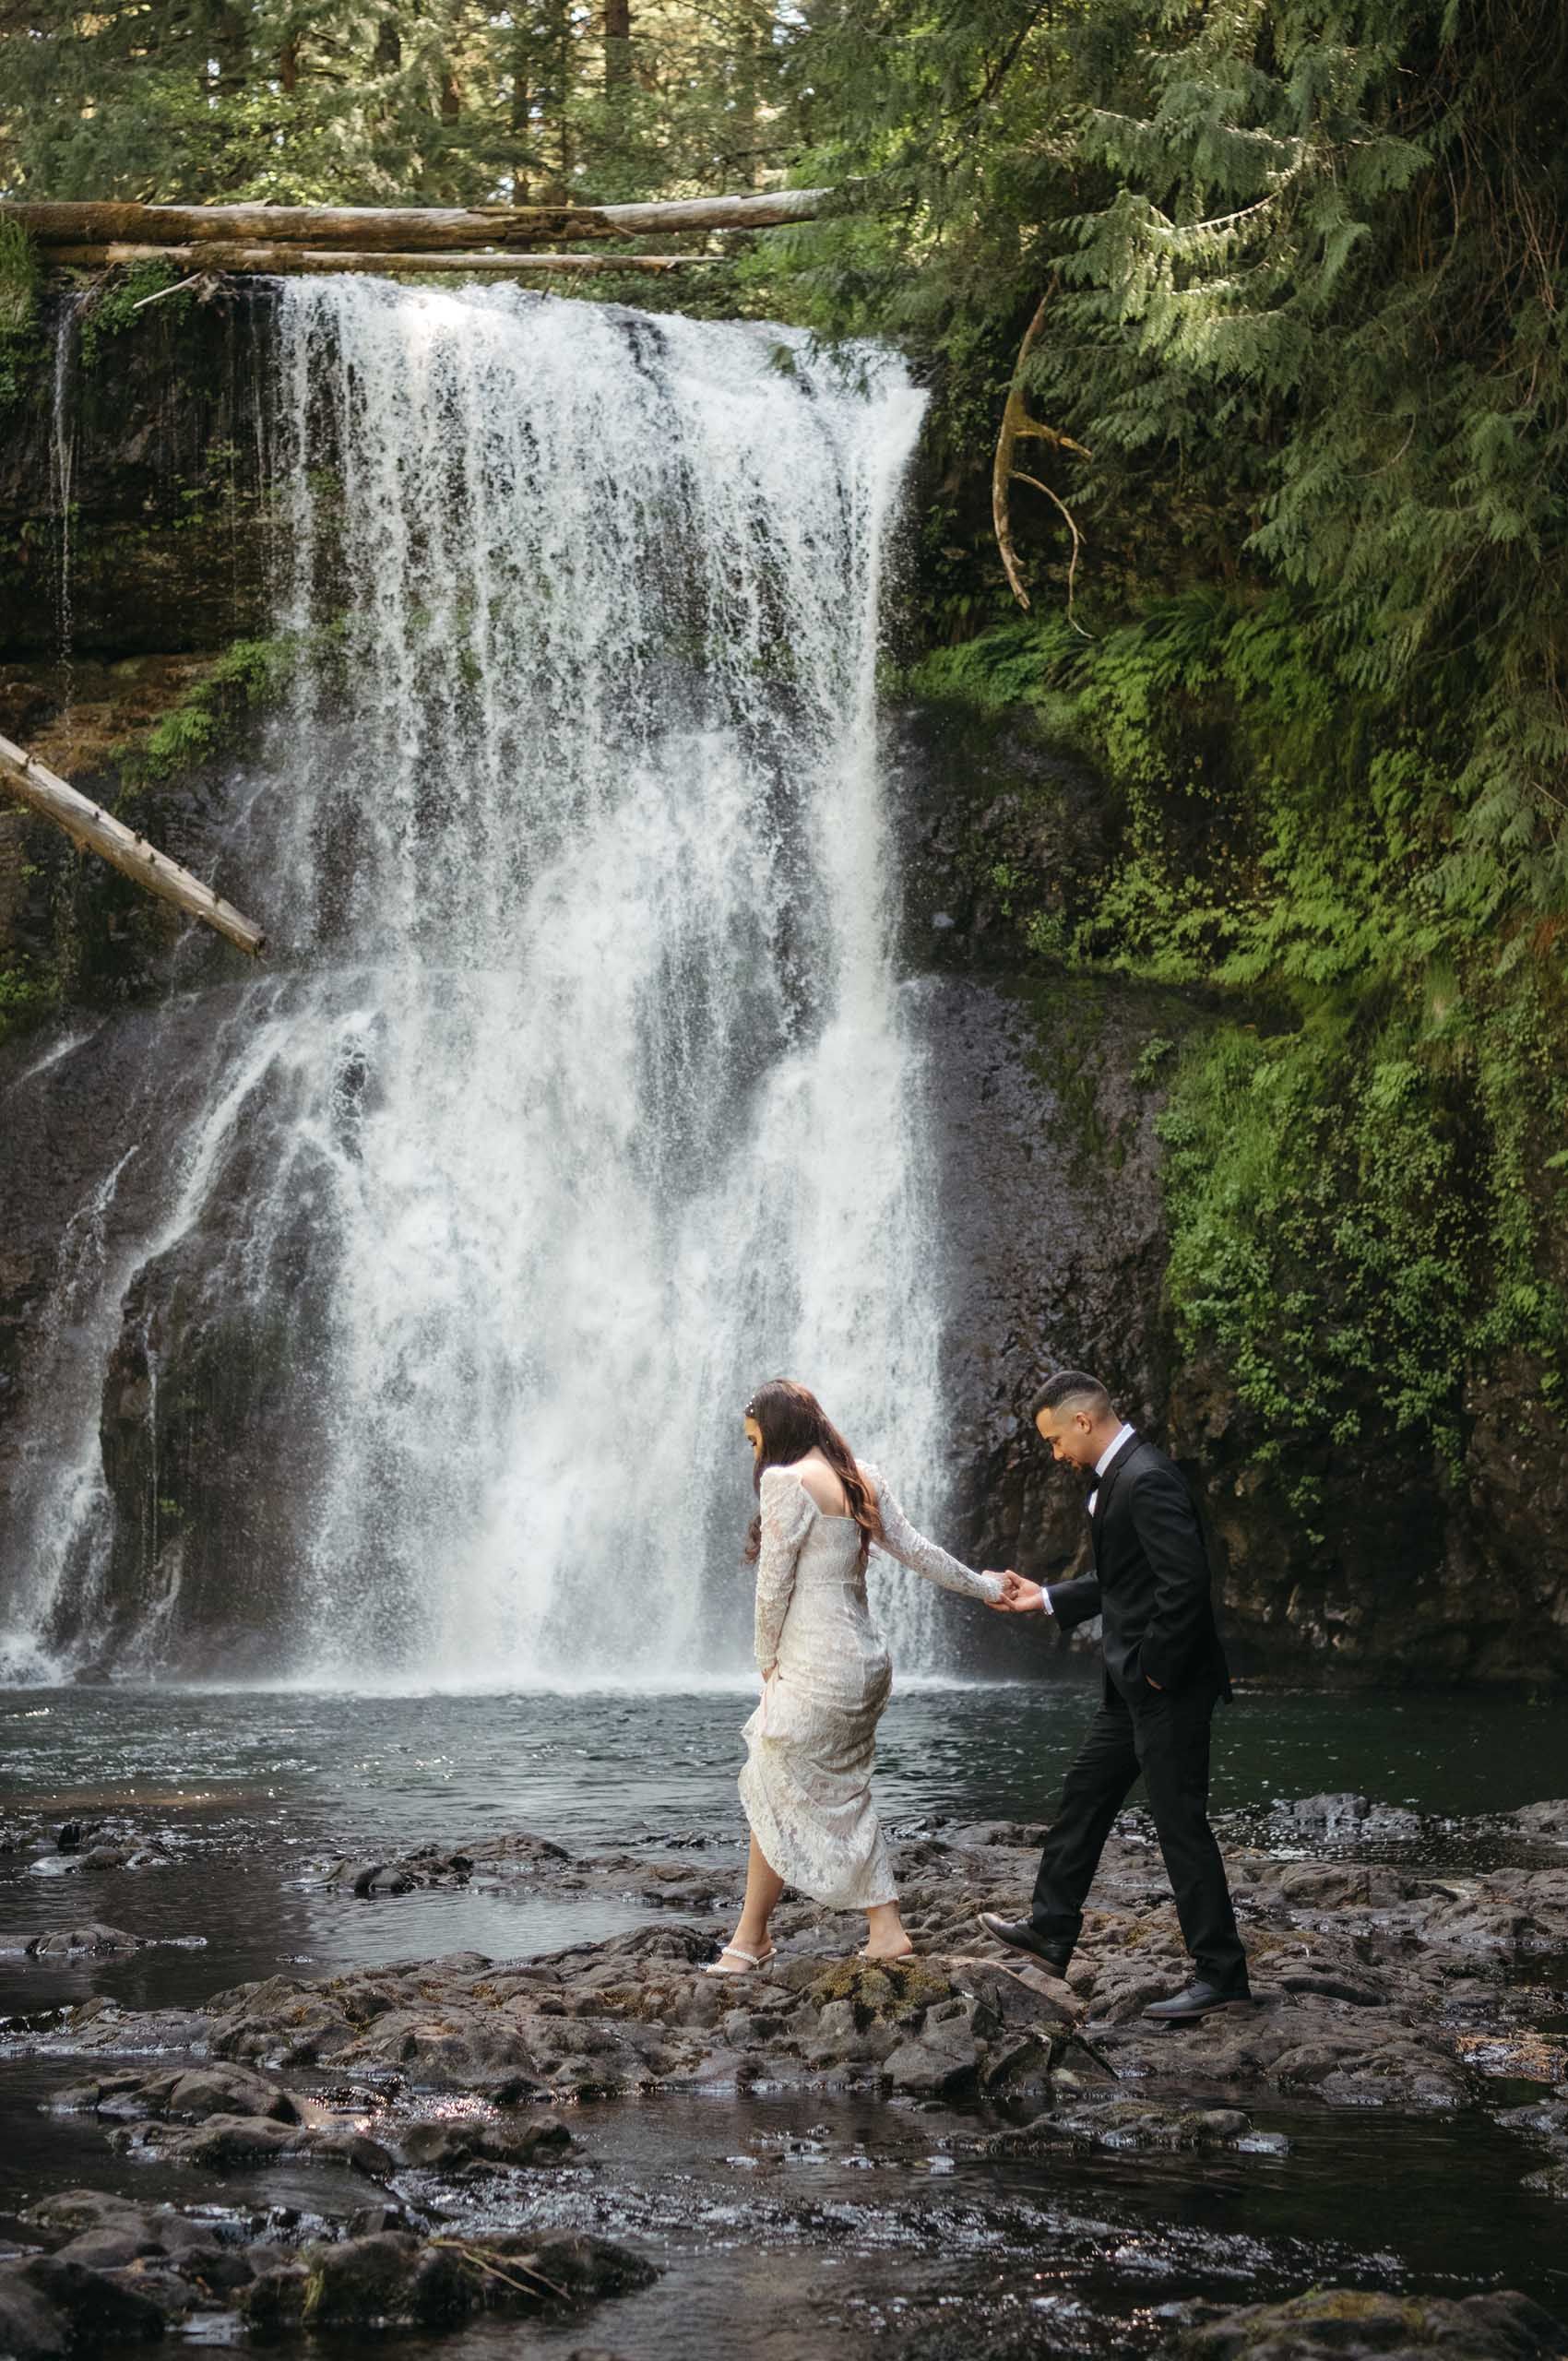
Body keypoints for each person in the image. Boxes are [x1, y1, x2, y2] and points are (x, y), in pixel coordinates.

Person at [708, 1376, 1008, 1974]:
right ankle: (770, 1937)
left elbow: (773, 1588)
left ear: (776, 1434)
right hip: (867, 1662)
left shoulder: (785, 1481)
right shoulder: (861, 1476)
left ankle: (791, 1935)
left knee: (786, 1777)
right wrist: (986, 1587)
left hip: (816, 1662)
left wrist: (765, 1662)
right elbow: (918, 1551)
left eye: (753, 1439)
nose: (753, 1452)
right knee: (797, 1785)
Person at [980, 1369, 1250, 2021]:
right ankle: (1051, 1929)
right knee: (1085, 1794)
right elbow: (1123, 1580)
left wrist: (1155, 1671)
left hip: (1165, 1688)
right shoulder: (1121, 1475)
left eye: (1054, 1441)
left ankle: (1222, 1975)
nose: (1055, 1455)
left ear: (1083, 1422)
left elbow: (1185, 1584)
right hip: (1133, 1687)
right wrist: (1044, 1597)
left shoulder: (1147, 1476)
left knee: (1180, 1825)